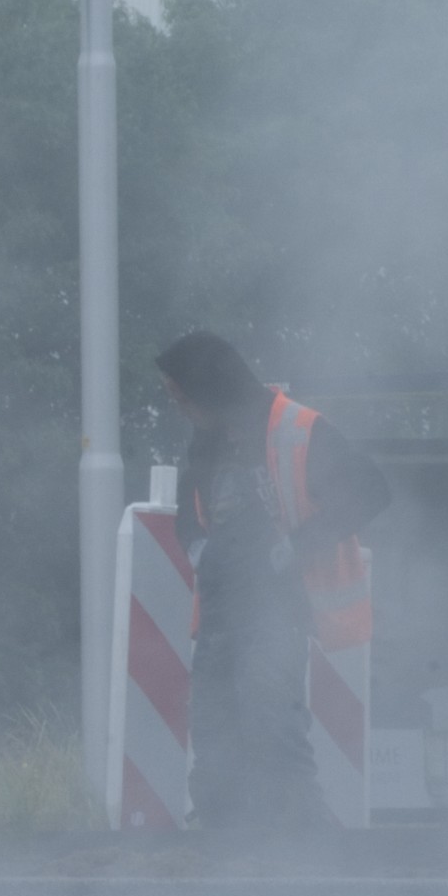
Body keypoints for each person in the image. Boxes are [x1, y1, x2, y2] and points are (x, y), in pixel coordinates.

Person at [155, 330, 389, 831]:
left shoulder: (297, 429)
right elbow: (189, 515)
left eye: (181, 396)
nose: (178, 407)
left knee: (270, 723)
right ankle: (221, 841)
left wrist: (298, 545)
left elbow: (370, 489)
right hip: (220, 611)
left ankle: (306, 842)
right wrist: (198, 545)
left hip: (277, 605)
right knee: (215, 730)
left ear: (209, 388)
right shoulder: (207, 442)